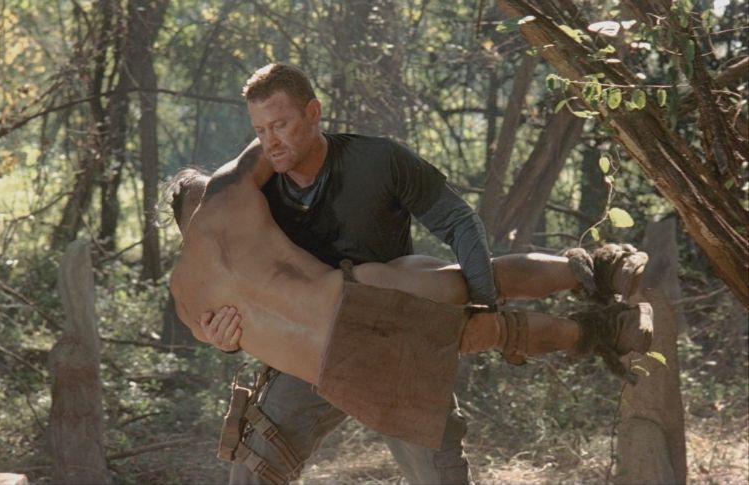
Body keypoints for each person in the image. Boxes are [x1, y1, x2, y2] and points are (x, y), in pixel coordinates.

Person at [165, 63, 650, 485]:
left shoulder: (372, 161)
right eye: (261, 130)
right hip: (309, 357)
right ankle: (600, 325)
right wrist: (224, 338)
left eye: (281, 125)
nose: (271, 141)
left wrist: (485, 304)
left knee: (472, 325)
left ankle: (598, 280)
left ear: (313, 114)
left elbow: (459, 222)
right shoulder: (251, 198)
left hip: (393, 318)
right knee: (252, 467)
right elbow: (245, 304)